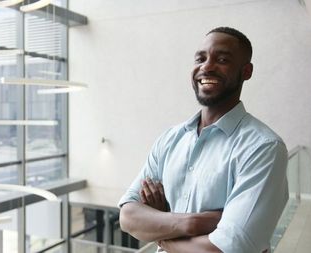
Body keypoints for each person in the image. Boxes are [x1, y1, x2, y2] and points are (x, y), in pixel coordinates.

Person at [118, 27, 288, 253]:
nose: (206, 66)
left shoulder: (263, 148)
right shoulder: (169, 139)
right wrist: (191, 223)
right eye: (200, 58)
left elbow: (227, 249)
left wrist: (161, 231)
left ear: (246, 71)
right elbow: (127, 216)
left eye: (223, 59)